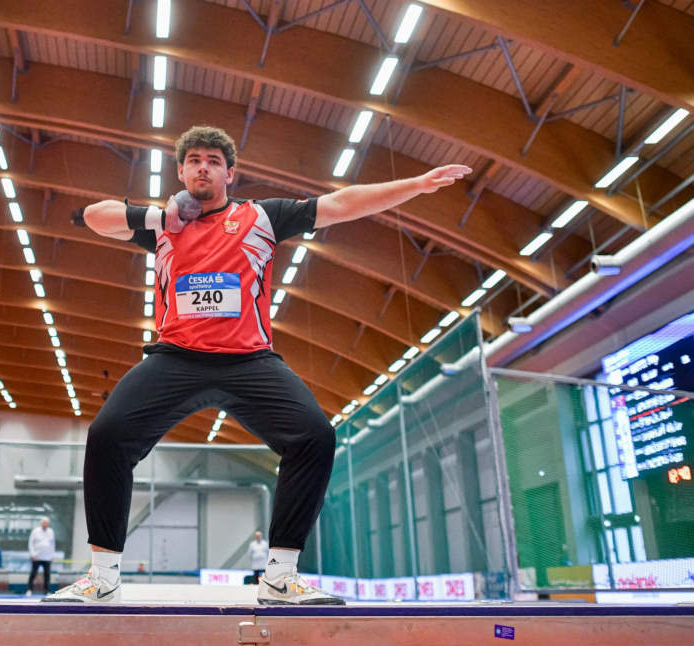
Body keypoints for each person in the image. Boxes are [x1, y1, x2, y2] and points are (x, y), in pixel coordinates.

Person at [44, 126, 470, 605]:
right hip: (176, 357)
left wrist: (416, 185)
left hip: (249, 360)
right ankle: (102, 577)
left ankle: (280, 576)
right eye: (194, 160)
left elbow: (341, 203)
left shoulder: (261, 216)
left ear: (229, 173)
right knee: (107, 436)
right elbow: (94, 216)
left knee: (314, 437)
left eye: (213, 160)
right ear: (181, 171)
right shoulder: (162, 225)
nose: (203, 167)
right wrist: (160, 215)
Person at [27, 518, 55, 596]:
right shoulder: (35, 531)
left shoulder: (51, 532)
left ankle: (46, 590)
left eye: (47, 523)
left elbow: (52, 544)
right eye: (44, 523)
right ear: (41, 523)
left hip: (47, 557)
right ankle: (29, 589)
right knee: (33, 573)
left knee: (47, 575)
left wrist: (52, 555)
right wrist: (32, 554)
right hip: (36, 556)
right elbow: (30, 543)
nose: (45, 524)